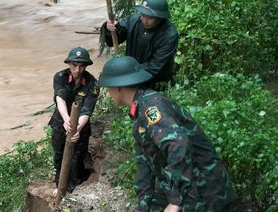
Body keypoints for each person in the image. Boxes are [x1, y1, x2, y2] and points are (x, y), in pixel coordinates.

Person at [96, 56, 236, 212]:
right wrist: (144, 205)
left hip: (203, 187)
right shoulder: (139, 110)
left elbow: (179, 145)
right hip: (183, 183)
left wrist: (176, 201)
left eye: (108, 88)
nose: (109, 92)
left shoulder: (151, 107)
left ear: (118, 87)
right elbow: (144, 165)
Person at [100, 0, 179, 90]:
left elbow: (155, 66)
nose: (144, 20)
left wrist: (127, 72)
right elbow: (114, 40)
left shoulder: (169, 35)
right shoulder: (134, 20)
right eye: (142, 15)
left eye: (150, 18)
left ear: (161, 17)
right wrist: (111, 28)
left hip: (155, 82)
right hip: (132, 77)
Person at [49, 47, 99, 193]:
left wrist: (77, 129)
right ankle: (59, 185)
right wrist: (66, 120)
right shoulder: (60, 77)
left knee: (77, 155)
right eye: (74, 65)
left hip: (81, 124)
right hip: (60, 121)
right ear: (69, 63)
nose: (77, 69)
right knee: (59, 153)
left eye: (82, 65)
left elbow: (87, 110)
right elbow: (60, 98)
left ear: (86, 66)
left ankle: (74, 186)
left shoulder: (92, 83)